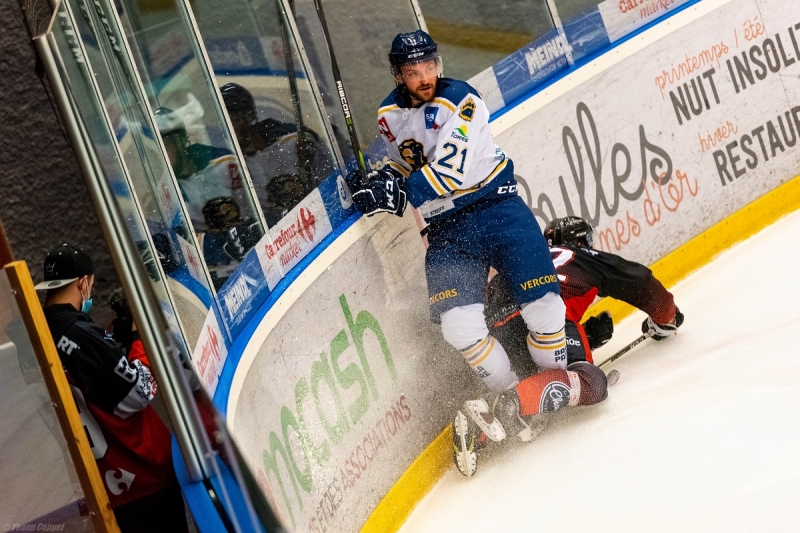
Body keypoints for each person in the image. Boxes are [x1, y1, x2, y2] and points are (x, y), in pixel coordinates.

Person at [351, 30, 588, 455]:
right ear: (398, 74)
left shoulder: (462, 100)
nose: (424, 77)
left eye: (429, 67)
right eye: (412, 71)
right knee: (458, 327)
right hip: (447, 229)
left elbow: (451, 171)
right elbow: (403, 161)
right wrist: (379, 177)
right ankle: (516, 403)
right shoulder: (388, 114)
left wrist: (400, 193)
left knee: (545, 307)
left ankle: (552, 385)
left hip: (497, 209)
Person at [36, 244, 188, 532]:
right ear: (82, 283)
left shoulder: (37, 333)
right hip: (142, 476)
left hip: (103, 484)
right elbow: (139, 392)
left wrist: (116, 343)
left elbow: (94, 377)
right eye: (90, 285)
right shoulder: (79, 333)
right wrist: (138, 338)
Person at [220, 82, 334, 226]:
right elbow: (246, 218)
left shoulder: (293, 140)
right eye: (225, 124)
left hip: (321, 219)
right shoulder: (234, 168)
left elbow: (332, 180)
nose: (230, 130)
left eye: (234, 120)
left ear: (250, 116)